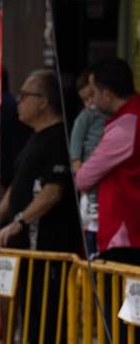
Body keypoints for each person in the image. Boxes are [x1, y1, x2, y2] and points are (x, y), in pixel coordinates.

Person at [0, 69, 80, 344]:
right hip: (26, 249)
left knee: (50, 308)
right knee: (31, 308)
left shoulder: (60, 138)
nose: (19, 102)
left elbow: (52, 192)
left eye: (25, 95)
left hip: (50, 242)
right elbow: (15, 190)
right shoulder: (34, 138)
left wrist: (19, 221)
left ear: (43, 102)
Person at [76, 57, 140, 266]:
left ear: (108, 94)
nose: (92, 101)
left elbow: (83, 178)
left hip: (125, 234)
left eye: (93, 93)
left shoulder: (125, 126)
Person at [70, 70, 106, 257]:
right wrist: (80, 175)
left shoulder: (112, 116)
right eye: (85, 99)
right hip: (90, 180)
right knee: (92, 218)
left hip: (106, 176)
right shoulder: (85, 118)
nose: (90, 103)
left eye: (92, 95)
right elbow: (75, 149)